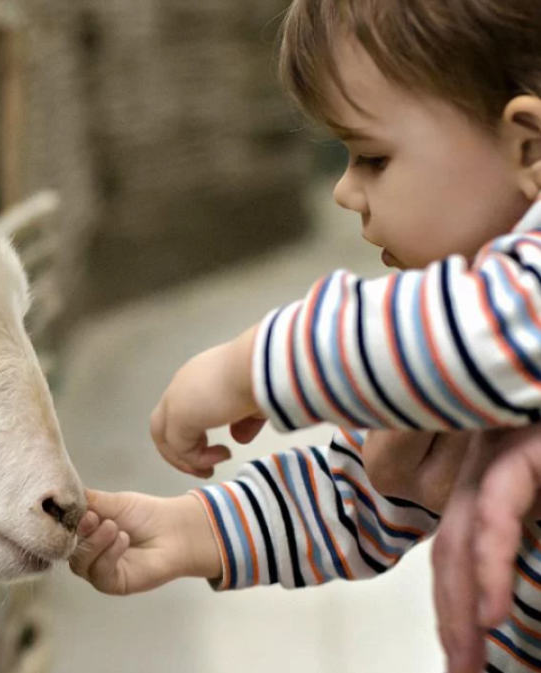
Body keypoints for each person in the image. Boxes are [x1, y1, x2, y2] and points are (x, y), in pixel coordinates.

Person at [69, 2, 541, 672]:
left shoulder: (499, 325)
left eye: (372, 157)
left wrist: (250, 366)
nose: (346, 192)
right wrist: (196, 530)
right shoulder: (472, 369)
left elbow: (461, 329)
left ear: (528, 148)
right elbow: (365, 488)